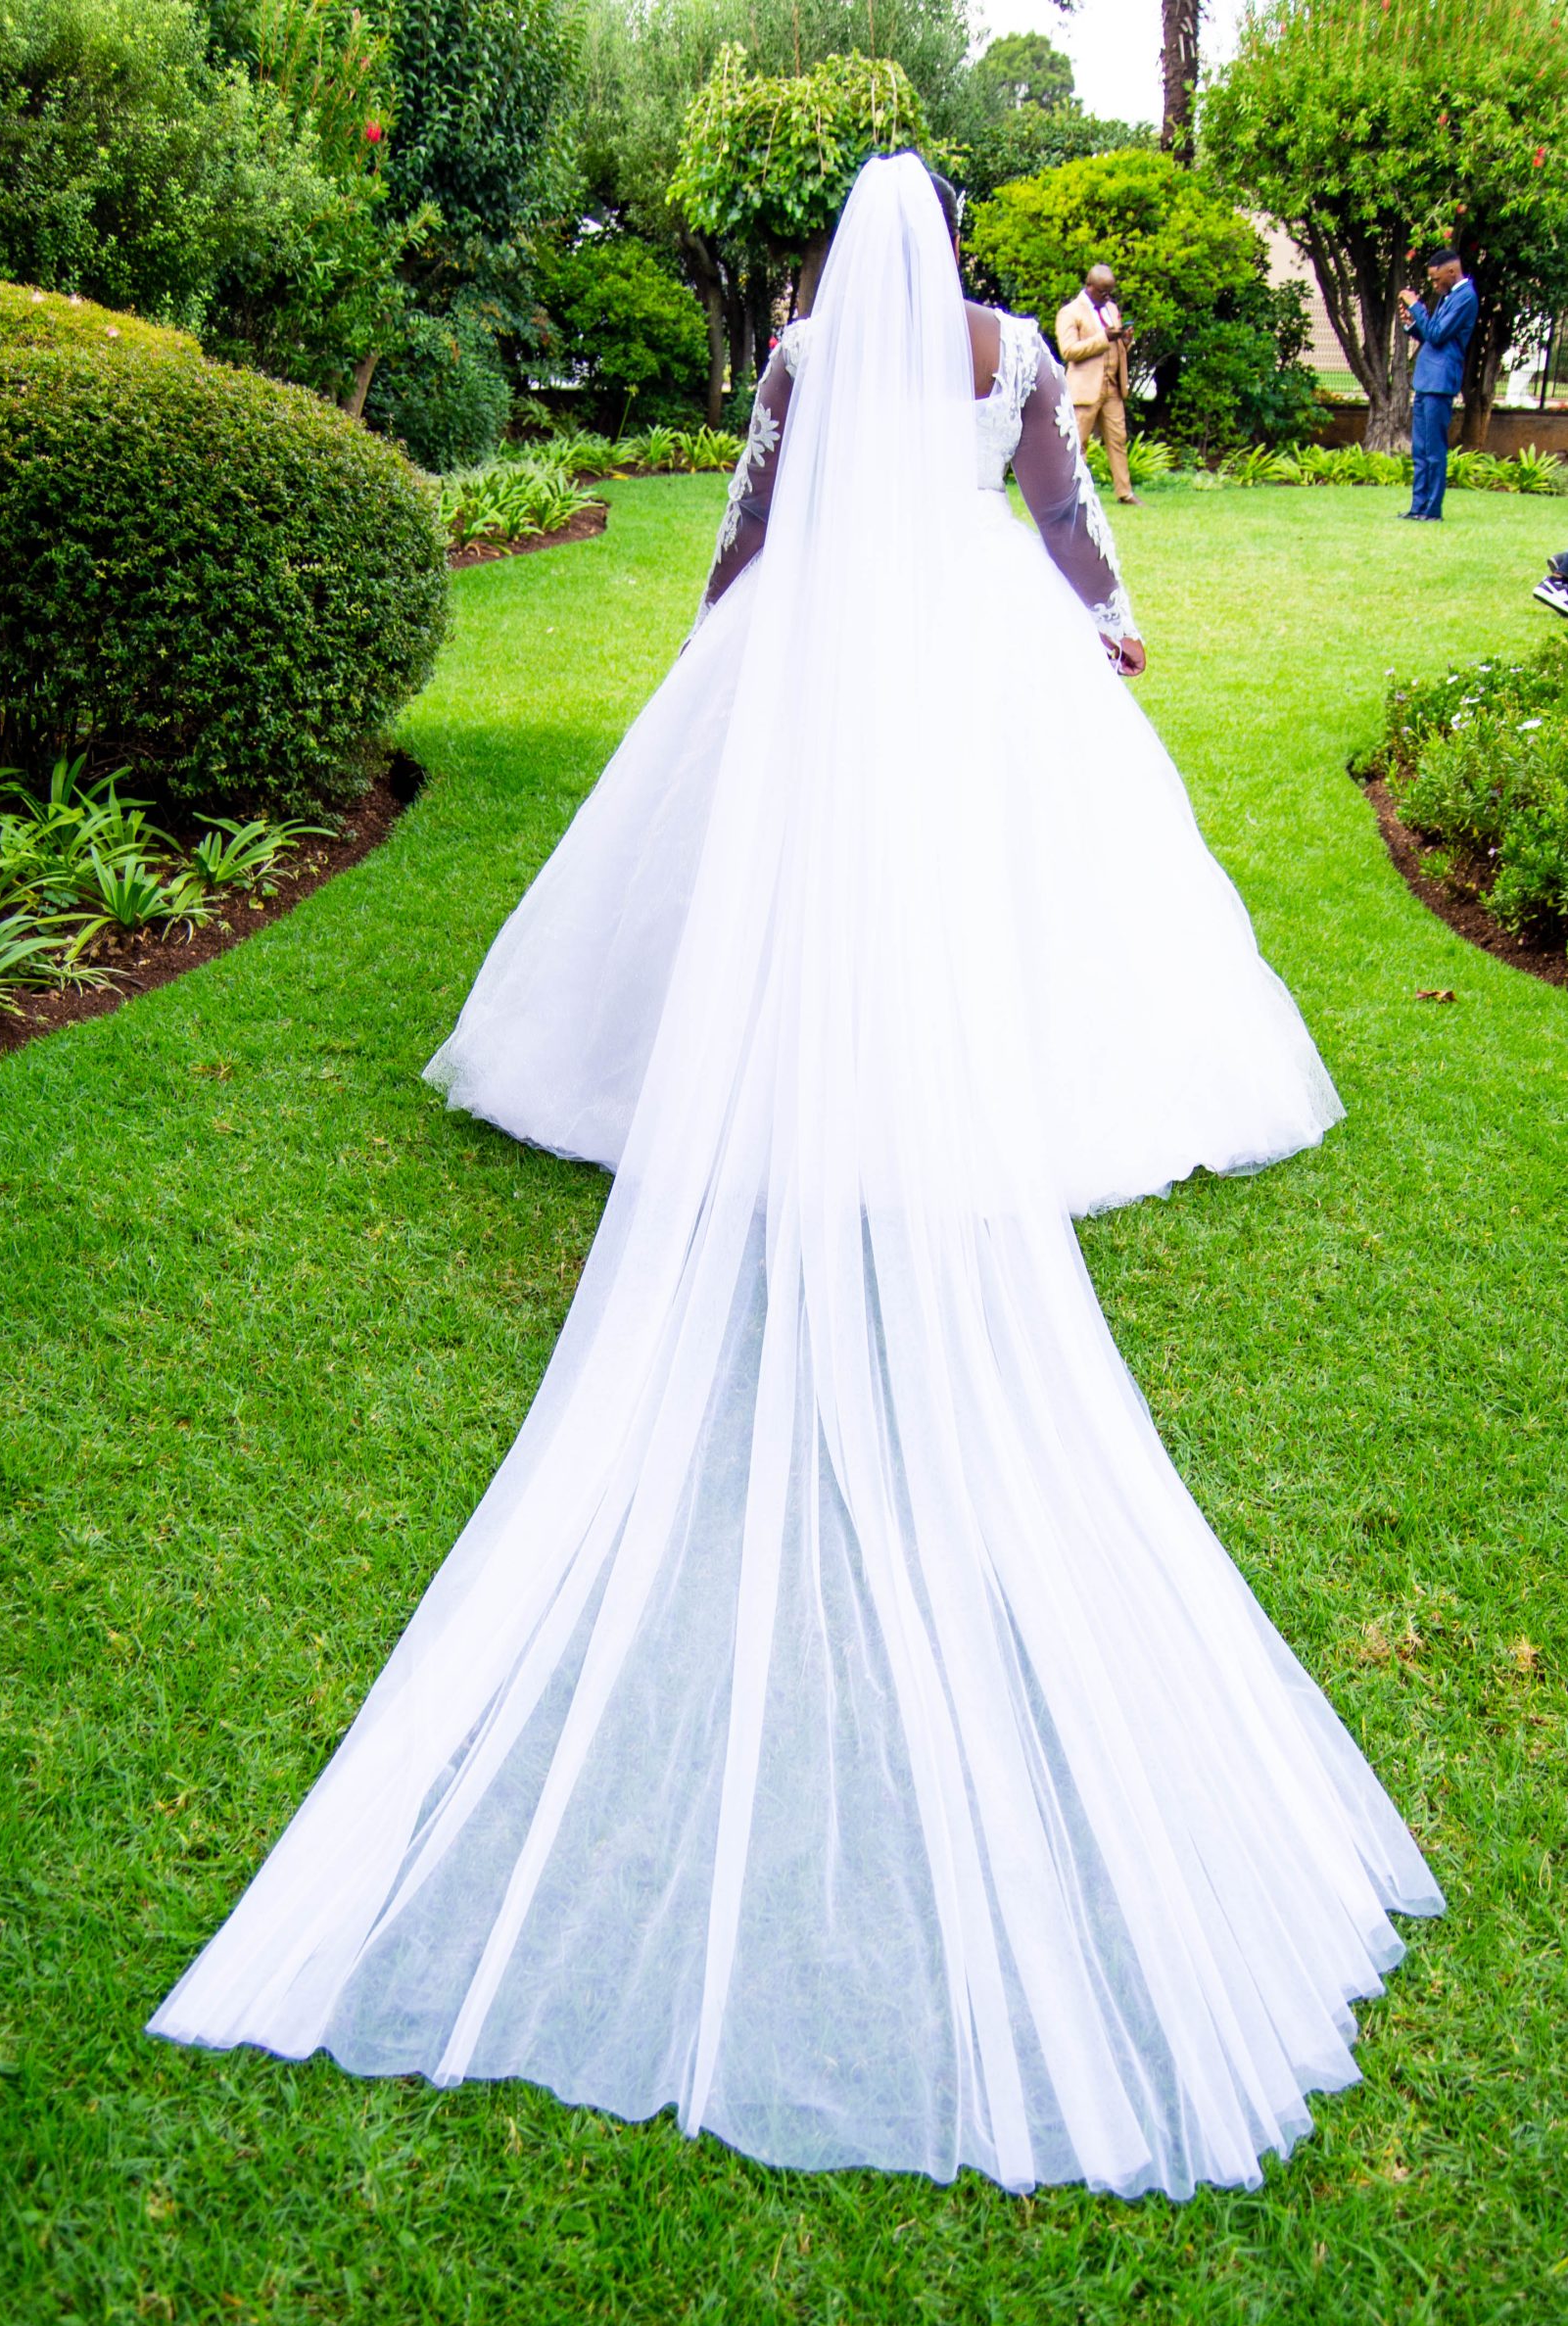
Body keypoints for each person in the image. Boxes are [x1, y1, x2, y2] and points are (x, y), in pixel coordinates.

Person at [151, 157, 1439, 2204]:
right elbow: (1056, 511)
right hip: (967, 651)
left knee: (785, 881)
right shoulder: (1012, 349)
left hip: (836, 643)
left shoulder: (803, 347)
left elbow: (754, 515)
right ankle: (974, 1073)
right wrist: (1101, 625)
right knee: (1009, 885)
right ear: (962, 253)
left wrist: (714, 639)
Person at [1399, 247, 1479, 521]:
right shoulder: (1450, 297)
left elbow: (1437, 333)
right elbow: (1432, 336)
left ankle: (1432, 510)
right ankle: (1417, 508)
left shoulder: (1465, 298)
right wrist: (1412, 324)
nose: (1435, 285)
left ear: (1452, 272)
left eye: (1436, 279)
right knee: (1420, 451)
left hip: (1440, 383)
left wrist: (1416, 306)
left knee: (1433, 451)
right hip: (1426, 381)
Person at [1056, 263, 1141, 505]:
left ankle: (1125, 493)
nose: (1107, 297)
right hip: (1085, 389)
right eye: (1103, 292)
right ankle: (1072, 495)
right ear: (1089, 286)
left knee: (1118, 439)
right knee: (1076, 443)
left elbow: (1118, 346)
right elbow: (1069, 350)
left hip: (1112, 387)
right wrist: (1105, 338)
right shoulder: (1070, 313)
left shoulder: (1111, 309)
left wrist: (1125, 340)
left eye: (1110, 292)